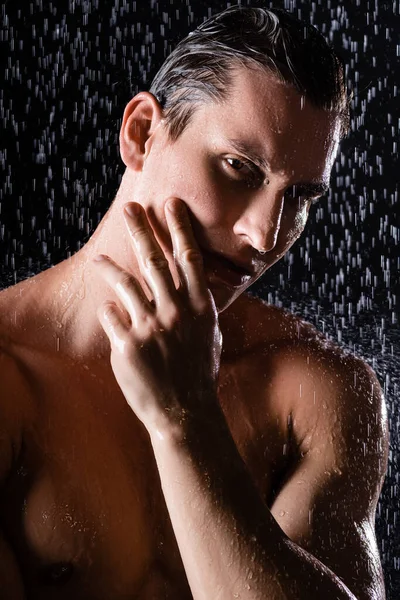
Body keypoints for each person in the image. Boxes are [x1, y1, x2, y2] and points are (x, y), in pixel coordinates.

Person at [0, 6, 388, 599]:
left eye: (300, 198)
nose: (264, 235)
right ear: (141, 134)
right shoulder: (9, 380)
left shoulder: (316, 391)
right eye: (239, 168)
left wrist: (186, 420)